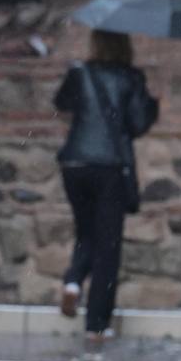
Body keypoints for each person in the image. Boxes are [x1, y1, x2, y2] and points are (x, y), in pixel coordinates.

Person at [54, 30, 159, 344]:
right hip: (110, 166)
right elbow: (138, 124)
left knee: (86, 231)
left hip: (74, 163)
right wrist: (151, 104)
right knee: (108, 246)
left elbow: (62, 104)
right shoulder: (131, 77)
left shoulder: (78, 72)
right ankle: (97, 324)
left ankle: (73, 283)